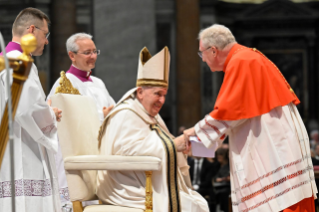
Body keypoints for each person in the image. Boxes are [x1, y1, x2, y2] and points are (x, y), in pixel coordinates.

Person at [184, 24, 317, 212]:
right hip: (271, 143)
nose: (202, 59)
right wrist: (196, 147)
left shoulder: (241, 61)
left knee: (276, 203)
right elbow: (235, 116)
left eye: (201, 54)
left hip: (272, 147)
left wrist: (189, 135)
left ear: (213, 51)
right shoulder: (245, 58)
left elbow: (228, 112)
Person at [96, 47, 209, 212]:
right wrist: (173, 145)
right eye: (157, 94)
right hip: (125, 187)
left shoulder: (148, 113)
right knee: (191, 206)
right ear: (140, 92)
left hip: (144, 180)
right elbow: (126, 150)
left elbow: (162, 142)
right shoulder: (126, 114)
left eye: (164, 94)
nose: (162, 100)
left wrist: (184, 147)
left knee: (197, 202)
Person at [0, 8, 62, 212]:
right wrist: (51, 114)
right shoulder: (19, 61)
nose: (46, 41)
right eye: (45, 34)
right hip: (23, 151)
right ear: (32, 30)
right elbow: (27, 109)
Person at [47, 32, 115, 208]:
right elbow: (70, 120)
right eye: (87, 52)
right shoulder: (64, 84)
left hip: (97, 150)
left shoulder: (99, 83)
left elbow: (112, 110)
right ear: (72, 55)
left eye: (94, 51)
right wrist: (104, 116)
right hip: (76, 153)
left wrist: (112, 115)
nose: (93, 56)